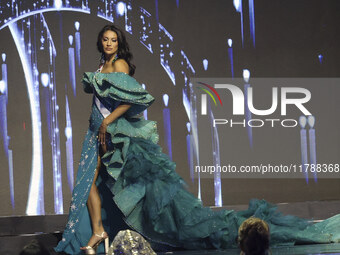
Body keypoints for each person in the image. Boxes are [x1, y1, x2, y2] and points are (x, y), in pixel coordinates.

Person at [55, 24, 340, 255]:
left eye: (113, 40)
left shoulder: (119, 67)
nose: (108, 44)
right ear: (100, 42)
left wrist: (107, 121)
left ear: (119, 44)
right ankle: (98, 230)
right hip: (96, 134)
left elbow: (132, 100)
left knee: (130, 191)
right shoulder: (101, 67)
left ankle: (101, 231)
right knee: (88, 184)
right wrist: (100, 124)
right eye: (105, 39)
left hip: (114, 135)